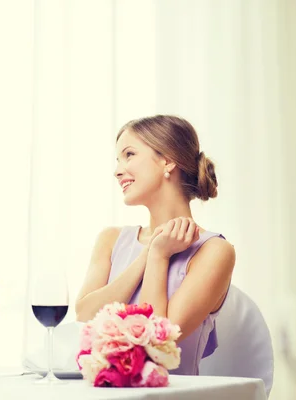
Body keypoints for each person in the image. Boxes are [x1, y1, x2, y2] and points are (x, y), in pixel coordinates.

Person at [75, 115, 235, 375]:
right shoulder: (111, 240)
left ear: (168, 160)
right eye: (118, 159)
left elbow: (158, 344)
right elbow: (84, 317)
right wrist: (147, 254)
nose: (117, 170)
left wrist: (159, 256)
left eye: (129, 154)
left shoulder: (214, 251)